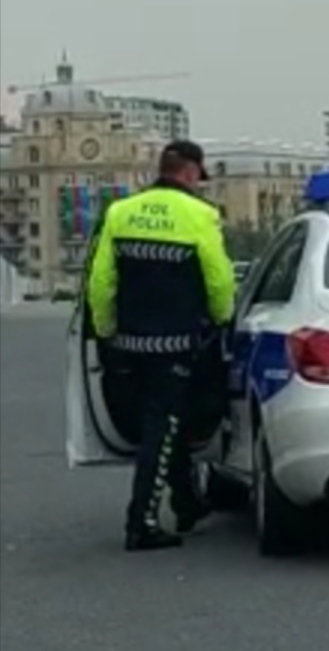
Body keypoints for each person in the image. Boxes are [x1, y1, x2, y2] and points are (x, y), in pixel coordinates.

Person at [87, 140, 236, 552]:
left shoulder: (120, 211)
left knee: (162, 425)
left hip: (130, 341)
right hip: (175, 342)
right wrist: (223, 320)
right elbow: (219, 279)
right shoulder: (199, 214)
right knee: (163, 428)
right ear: (190, 173)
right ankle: (142, 522)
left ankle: (188, 502)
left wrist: (106, 331)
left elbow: (101, 282)